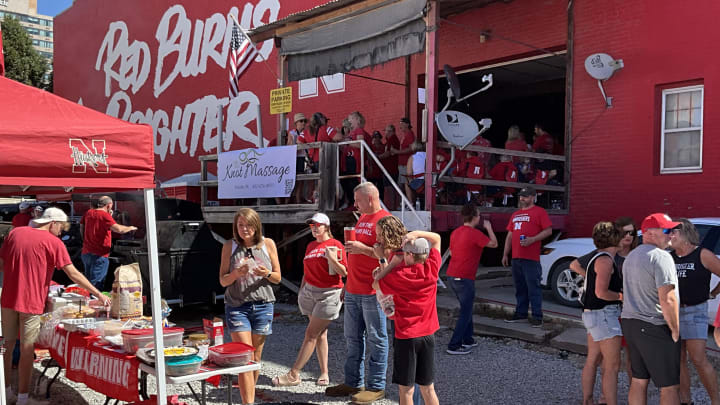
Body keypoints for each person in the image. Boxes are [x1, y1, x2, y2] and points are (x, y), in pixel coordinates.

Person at [1, 207, 110, 405]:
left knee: (7, 347)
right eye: (61, 228)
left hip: (7, 298)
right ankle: (23, 400)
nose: (61, 232)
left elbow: (2, 263)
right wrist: (98, 294)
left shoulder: (15, 233)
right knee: (26, 349)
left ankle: (6, 393)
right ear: (53, 223)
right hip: (31, 302)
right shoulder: (54, 242)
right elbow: (73, 274)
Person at [326, 182, 391, 404]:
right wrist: (347, 284)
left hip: (373, 291)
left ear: (371, 199)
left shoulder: (386, 221)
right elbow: (355, 258)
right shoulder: (362, 218)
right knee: (352, 339)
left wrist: (363, 249)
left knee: (377, 338)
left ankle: (376, 386)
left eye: (358, 201)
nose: (355, 204)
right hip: (354, 289)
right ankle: (353, 382)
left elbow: (391, 256)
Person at [273, 213, 346, 387]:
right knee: (320, 333)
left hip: (329, 293)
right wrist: (301, 291)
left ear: (326, 226)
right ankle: (324, 373)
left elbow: (344, 272)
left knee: (311, 334)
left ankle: (293, 374)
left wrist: (332, 259)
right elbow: (306, 271)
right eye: (311, 225)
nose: (314, 228)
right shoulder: (310, 245)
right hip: (309, 292)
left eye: (317, 225)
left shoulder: (336, 245)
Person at [219, 208, 282, 405]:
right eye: (241, 225)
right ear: (236, 227)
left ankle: (249, 397)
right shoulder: (229, 246)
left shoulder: (268, 244)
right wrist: (236, 274)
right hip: (237, 306)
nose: (245, 229)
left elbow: (278, 278)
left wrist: (266, 274)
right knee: (244, 356)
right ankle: (249, 403)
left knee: (255, 356)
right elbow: (222, 281)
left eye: (248, 225)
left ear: (257, 226)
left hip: (263, 306)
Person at [373, 232, 442, 405]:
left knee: (406, 390)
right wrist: (416, 234)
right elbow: (437, 239)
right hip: (428, 334)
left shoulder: (399, 274)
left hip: (406, 335)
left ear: (410, 255)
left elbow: (376, 283)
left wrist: (385, 262)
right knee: (428, 387)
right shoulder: (432, 267)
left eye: (404, 253)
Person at [621, 213, 681, 405]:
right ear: (649, 233)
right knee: (669, 385)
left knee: (639, 380)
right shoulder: (661, 257)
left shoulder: (631, 255)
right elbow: (668, 298)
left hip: (631, 324)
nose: (671, 235)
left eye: (672, 230)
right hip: (654, 325)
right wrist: (675, 330)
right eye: (666, 230)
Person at [570, 222, 623, 405]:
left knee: (593, 359)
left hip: (593, 314)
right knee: (612, 366)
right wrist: (622, 296)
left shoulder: (596, 257)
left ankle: (588, 399)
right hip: (605, 315)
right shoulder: (606, 260)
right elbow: (602, 292)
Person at [669, 219, 720, 405]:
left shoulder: (702, 254)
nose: (670, 236)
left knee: (698, 358)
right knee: (679, 359)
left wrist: (713, 294)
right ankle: (686, 400)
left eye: (674, 233)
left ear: (686, 234)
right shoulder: (670, 257)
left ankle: (715, 400)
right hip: (674, 313)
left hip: (695, 311)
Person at [446, 203, 497, 354]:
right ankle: (454, 345)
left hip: (452, 275)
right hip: (464, 277)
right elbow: (494, 244)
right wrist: (489, 228)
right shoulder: (474, 233)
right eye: (479, 215)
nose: (480, 217)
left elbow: (451, 254)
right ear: (474, 217)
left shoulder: (455, 232)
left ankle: (468, 339)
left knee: (466, 308)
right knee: (466, 312)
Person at [502, 187, 552, 326]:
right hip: (516, 256)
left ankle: (537, 316)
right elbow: (510, 235)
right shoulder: (516, 214)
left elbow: (548, 231)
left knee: (533, 287)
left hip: (531, 258)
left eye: (525, 196)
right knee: (520, 288)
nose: (522, 199)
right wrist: (505, 253)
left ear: (533, 197)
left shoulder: (539, 212)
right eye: (521, 196)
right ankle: (521, 313)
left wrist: (533, 239)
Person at [80, 196, 137, 291]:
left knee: (88, 283)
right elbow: (119, 229)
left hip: (86, 252)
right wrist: (131, 228)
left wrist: (84, 240)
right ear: (109, 205)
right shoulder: (104, 215)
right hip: (99, 254)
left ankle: (89, 302)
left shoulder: (89, 213)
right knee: (96, 285)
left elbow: (82, 226)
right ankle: (94, 302)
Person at [378, 124, 401, 209]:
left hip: (390, 168)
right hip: (389, 168)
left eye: (388, 131)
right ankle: (391, 205)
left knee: (389, 187)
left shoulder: (393, 140)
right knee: (389, 187)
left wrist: (377, 157)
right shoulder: (389, 140)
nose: (386, 133)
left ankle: (391, 206)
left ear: (393, 132)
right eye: (386, 131)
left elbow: (388, 153)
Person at [392, 118, 416, 189]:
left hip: (406, 164)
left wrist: (397, 151)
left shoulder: (410, 134)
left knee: (405, 185)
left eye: (402, 124)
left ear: (407, 124)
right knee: (402, 185)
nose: (400, 126)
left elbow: (411, 148)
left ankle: (406, 200)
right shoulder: (406, 135)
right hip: (402, 165)